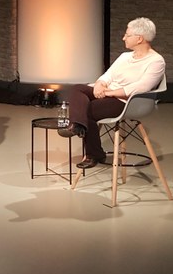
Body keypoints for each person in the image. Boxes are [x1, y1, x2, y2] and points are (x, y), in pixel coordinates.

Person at [58, 17, 165, 170]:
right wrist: (100, 84)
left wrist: (110, 93)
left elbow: (142, 87)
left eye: (127, 35)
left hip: (127, 101)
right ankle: (76, 125)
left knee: (88, 109)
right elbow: (108, 75)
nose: (123, 38)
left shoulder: (156, 61)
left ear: (139, 38)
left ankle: (93, 153)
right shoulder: (125, 57)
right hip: (108, 92)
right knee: (77, 89)